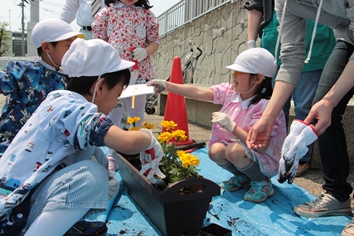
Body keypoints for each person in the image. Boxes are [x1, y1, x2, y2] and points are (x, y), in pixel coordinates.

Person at [0, 38, 164, 236]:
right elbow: (126, 142)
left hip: (19, 199)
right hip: (13, 213)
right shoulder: (74, 109)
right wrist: (149, 139)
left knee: (96, 157)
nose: (116, 103)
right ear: (100, 87)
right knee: (92, 175)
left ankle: (60, 225)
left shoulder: (58, 98)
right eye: (118, 95)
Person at [246, 0, 354, 235]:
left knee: (328, 101)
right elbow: (292, 56)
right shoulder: (284, 3)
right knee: (324, 110)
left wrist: (331, 99)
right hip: (348, 36)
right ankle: (337, 195)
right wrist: (268, 117)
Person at [147, 48, 287, 203]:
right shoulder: (230, 92)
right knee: (215, 151)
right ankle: (243, 177)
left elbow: (259, 147)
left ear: (258, 78)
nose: (233, 75)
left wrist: (231, 126)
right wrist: (168, 86)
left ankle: (262, 182)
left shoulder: (264, 107)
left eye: (239, 72)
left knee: (233, 151)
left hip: (261, 157)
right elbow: (199, 91)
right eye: (233, 71)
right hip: (239, 150)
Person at [243, 0, 336, 177]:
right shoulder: (283, 9)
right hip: (277, 48)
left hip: (316, 46)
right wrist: (251, 44)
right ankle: (274, 153)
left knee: (305, 106)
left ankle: (298, 155)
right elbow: (256, 9)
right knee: (275, 106)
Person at [0, 18, 84, 157]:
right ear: (46, 47)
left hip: (47, 150)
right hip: (13, 147)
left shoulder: (72, 77)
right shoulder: (25, 71)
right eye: (68, 46)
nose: (73, 52)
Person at [92, 0, 159, 171]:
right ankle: (111, 154)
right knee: (114, 113)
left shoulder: (146, 15)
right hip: (114, 72)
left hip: (140, 71)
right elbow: (98, 41)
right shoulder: (106, 12)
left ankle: (139, 151)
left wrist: (146, 51)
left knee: (137, 114)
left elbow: (154, 41)